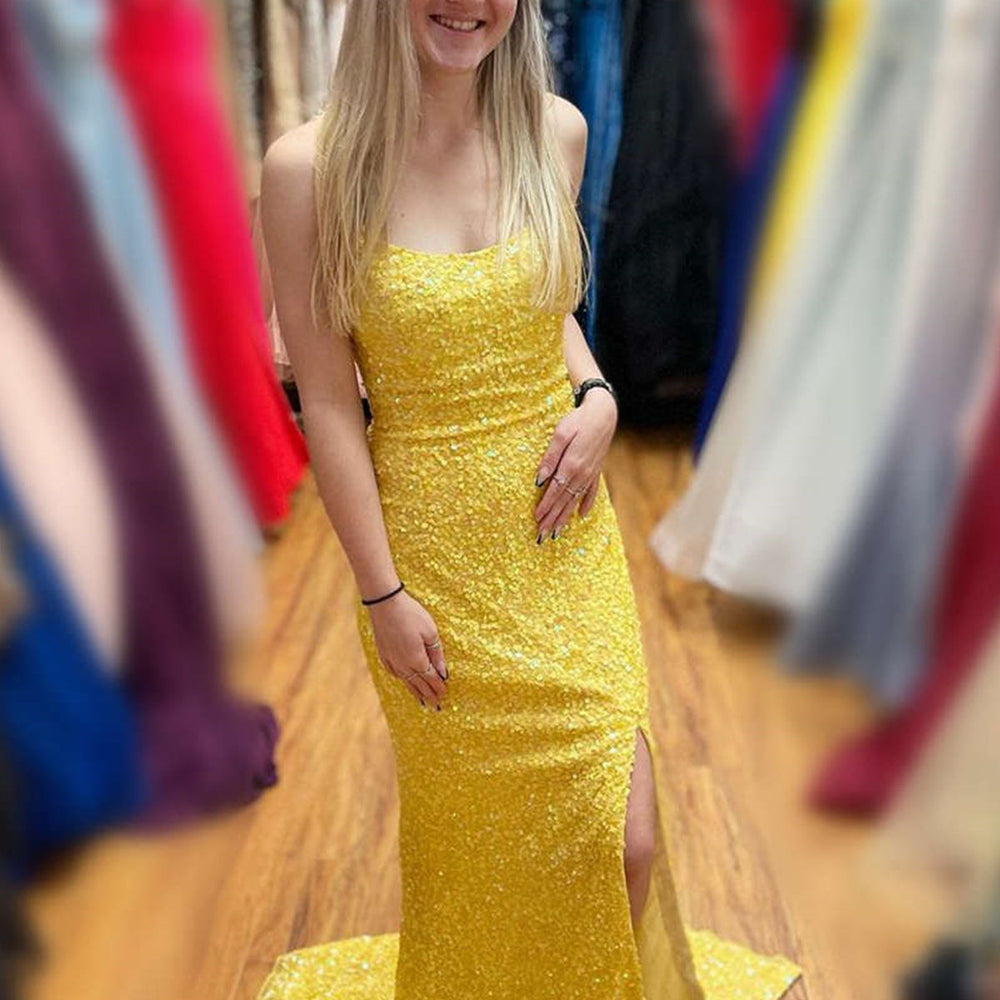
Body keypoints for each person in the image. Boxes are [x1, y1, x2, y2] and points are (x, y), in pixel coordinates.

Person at [255, 3, 801, 998]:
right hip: (428, 560)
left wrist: (599, 394)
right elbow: (328, 402)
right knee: (480, 842)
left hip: (562, 534)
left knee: (624, 839)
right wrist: (382, 594)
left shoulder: (556, 132)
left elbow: (544, 312)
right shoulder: (309, 171)